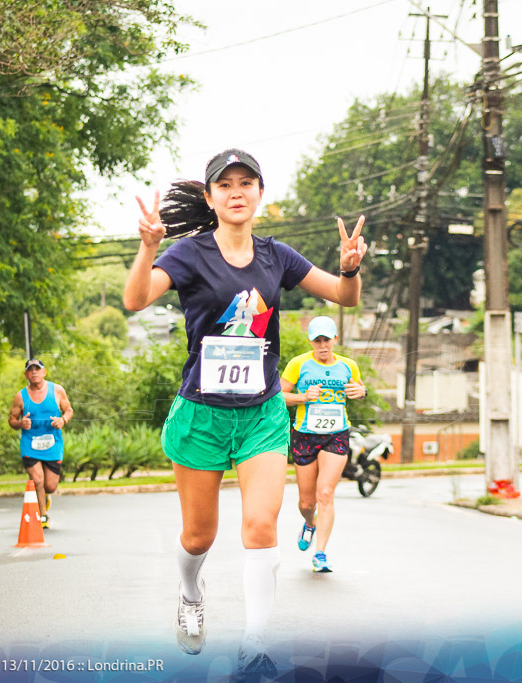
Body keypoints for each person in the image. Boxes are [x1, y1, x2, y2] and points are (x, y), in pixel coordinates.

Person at [122, 148, 367, 676]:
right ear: (210, 198)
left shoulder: (277, 256)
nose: (237, 192)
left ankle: (254, 644)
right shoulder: (188, 255)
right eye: (225, 184)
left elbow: (344, 298)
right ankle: (190, 593)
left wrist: (351, 270)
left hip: (261, 414)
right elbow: (137, 299)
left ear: (260, 193)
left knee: (261, 526)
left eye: (246, 183)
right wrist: (147, 249)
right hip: (201, 415)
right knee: (199, 536)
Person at [281, 315, 367, 573]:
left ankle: (320, 554)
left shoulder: (348, 365)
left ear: (334, 340)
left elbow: (360, 389)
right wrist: (302, 397)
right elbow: (279, 396)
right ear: (311, 341)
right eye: (317, 340)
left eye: (326, 340)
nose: (322, 345)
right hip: (305, 434)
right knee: (307, 503)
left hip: (336, 433)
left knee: (326, 494)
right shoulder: (299, 364)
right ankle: (309, 523)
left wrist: (360, 392)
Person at [8, 358, 73, 528]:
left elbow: (69, 410)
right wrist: (20, 424)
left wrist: (63, 420)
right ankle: (43, 515)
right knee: (37, 480)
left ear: (44, 372)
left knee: (49, 486)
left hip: (53, 444)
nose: (34, 372)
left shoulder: (57, 391)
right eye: (30, 369)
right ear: (26, 374)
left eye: (37, 369)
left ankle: (45, 496)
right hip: (30, 444)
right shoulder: (20, 396)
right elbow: (12, 419)